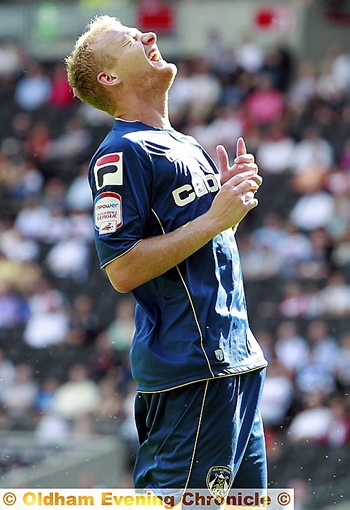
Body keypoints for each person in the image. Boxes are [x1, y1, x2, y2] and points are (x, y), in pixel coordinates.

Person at [66, 15, 267, 498]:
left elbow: (200, 240)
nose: (149, 37)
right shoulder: (121, 153)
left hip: (234, 365)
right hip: (191, 371)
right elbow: (122, 268)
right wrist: (213, 219)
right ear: (109, 78)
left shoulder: (186, 144)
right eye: (131, 40)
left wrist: (228, 209)